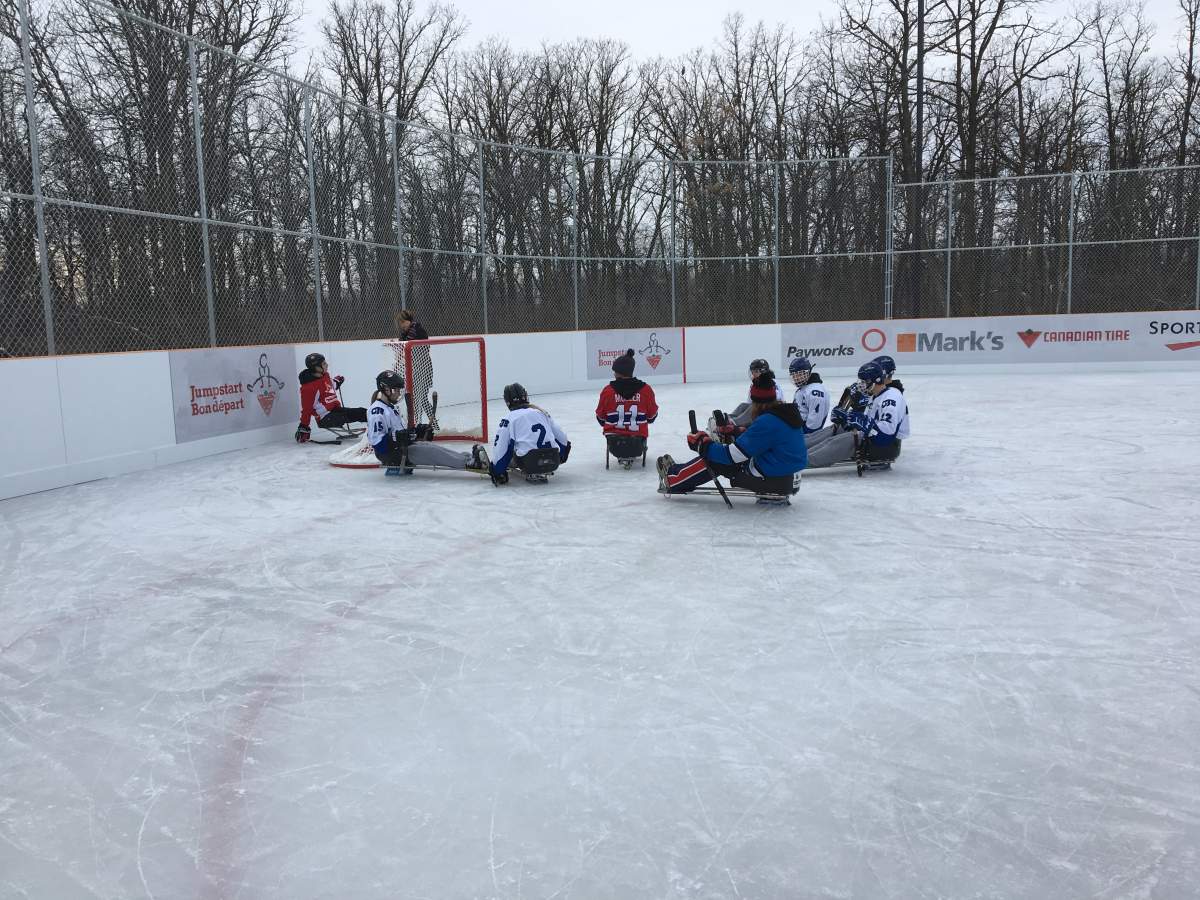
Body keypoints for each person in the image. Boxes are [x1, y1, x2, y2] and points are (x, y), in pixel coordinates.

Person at [657, 372, 806, 498]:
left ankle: (673, 479)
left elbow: (732, 456)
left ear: (756, 402)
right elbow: (767, 440)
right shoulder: (784, 415)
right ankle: (680, 471)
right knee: (722, 453)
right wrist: (736, 431)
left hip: (771, 480)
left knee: (716, 459)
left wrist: (703, 444)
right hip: (785, 475)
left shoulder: (767, 422)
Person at [368, 370, 490, 475]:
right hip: (392, 454)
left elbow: (401, 433)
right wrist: (398, 437)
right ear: (386, 389)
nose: (399, 393)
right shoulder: (377, 411)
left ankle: (468, 458)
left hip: (401, 448)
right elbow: (378, 444)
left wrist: (417, 431)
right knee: (432, 452)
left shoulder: (390, 407)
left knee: (431, 447)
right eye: (396, 390)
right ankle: (469, 464)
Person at [805, 360, 909, 469]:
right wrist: (847, 420)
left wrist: (864, 423)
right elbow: (865, 420)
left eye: (864, 381)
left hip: (886, 447)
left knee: (837, 442)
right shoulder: (875, 395)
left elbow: (885, 437)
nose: (861, 384)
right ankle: (799, 447)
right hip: (873, 438)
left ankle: (802, 460)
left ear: (876, 380)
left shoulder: (891, 399)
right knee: (837, 429)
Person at [489, 383, 571, 485]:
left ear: (507, 401)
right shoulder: (541, 412)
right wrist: (561, 457)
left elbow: (502, 447)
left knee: (512, 446)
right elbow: (563, 440)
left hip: (529, 463)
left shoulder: (509, 418)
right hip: (553, 460)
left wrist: (497, 471)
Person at [596, 349, 659, 467]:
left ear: (619, 372)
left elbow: (600, 418)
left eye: (615, 371)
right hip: (638, 445)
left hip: (615, 446)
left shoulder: (607, 391)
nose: (613, 374)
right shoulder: (646, 390)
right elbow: (652, 417)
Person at [296, 352, 367, 442]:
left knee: (361, 411)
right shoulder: (309, 388)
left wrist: (337, 382)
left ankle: (380, 423)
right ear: (317, 368)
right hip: (325, 418)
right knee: (356, 414)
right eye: (324, 364)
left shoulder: (325, 376)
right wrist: (304, 426)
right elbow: (307, 409)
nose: (327, 365)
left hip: (334, 410)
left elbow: (329, 388)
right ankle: (377, 426)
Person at [396, 309, 436, 428]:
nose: (402, 325)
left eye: (403, 322)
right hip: (415, 368)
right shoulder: (407, 333)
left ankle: (423, 424)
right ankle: (432, 424)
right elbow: (402, 344)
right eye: (400, 323)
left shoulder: (417, 330)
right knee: (420, 398)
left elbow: (412, 346)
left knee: (421, 398)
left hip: (423, 368)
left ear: (408, 321)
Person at [728, 358, 786, 426]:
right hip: (761, 408)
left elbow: (774, 400)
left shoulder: (772, 382)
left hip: (771, 410)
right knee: (743, 406)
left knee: (752, 408)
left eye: (755, 371)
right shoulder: (755, 383)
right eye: (752, 372)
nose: (753, 374)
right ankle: (728, 418)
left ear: (763, 371)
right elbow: (749, 403)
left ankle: (734, 423)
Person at [789, 356, 829, 435]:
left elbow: (814, 424)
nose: (796, 378)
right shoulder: (804, 388)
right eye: (794, 375)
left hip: (807, 436)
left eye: (800, 374)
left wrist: (802, 434)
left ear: (808, 372)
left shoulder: (815, 391)